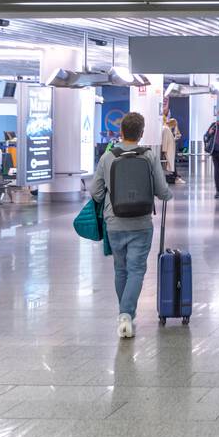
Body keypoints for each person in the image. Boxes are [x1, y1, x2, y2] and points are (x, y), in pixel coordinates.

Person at [90, 111, 172, 339]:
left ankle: (124, 314)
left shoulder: (108, 157)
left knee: (121, 269)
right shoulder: (149, 156)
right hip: (141, 222)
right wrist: (168, 195)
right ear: (141, 133)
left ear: (121, 131)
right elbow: (162, 190)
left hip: (114, 222)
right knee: (136, 269)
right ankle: (126, 315)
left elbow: (95, 192)